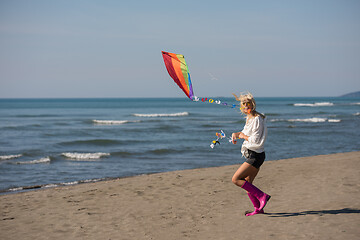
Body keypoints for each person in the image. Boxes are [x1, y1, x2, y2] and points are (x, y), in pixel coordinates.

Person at [231, 92, 270, 216]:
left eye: (247, 105)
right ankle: (258, 208)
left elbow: (255, 140)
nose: (245, 107)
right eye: (243, 105)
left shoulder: (257, 119)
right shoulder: (249, 119)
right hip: (253, 155)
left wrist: (243, 136)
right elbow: (244, 133)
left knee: (236, 179)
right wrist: (236, 135)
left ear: (252, 105)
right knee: (248, 183)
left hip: (255, 155)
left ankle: (262, 196)